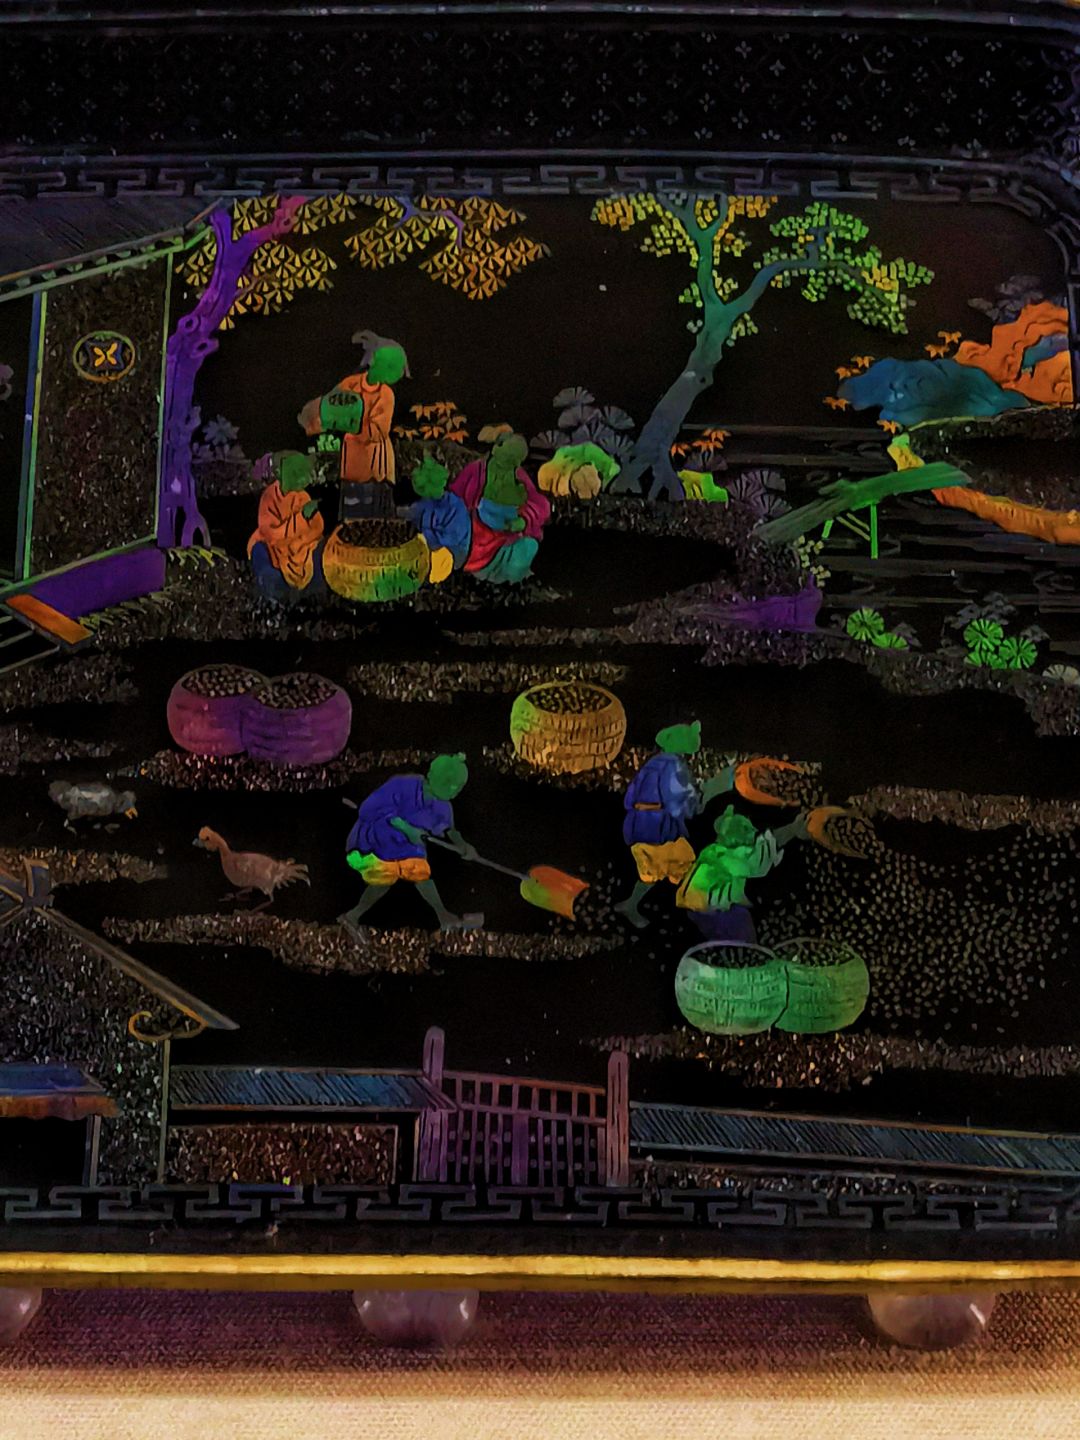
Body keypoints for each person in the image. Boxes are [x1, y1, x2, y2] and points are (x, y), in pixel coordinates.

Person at [340, 753, 477, 935]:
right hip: (377, 838)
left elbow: (449, 830)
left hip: (407, 846)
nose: (454, 790)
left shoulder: (442, 806)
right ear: (433, 775)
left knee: (420, 872)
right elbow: (368, 809)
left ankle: (443, 915)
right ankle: (352, 915)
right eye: (449, 783)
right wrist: (406, 828)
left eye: (458, 787)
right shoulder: (403, 785)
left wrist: (463, 846)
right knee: (384, 878)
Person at [614, 721, 734, 929]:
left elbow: (632, 796)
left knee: (672, 866)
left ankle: (690, 906)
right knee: (665, 868)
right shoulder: (673, 765)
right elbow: (680, 801)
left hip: (645, 825)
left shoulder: (655, 763)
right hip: (655, 829)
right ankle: (696, 909)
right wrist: (711, 791)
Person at [298, 344, 407, 518]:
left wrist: (352, 421)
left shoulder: (385, 394)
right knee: (352, 513)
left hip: (375, 465)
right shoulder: (351, 384)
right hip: (352, 463)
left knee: (375, 516)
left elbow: (378, 431)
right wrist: (316, 420)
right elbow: (329, 406)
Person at [676, 805, 810, 945]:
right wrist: (792, 830)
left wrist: (792, 830)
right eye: (746, 829)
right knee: (742, 932)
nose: (754, 831)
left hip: (704, 908)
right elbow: (757, 859)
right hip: (710, 911)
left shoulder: (720, 851)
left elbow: (761, 848)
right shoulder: (725, 856)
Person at [450, 430, 550, 584]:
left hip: (507, 538)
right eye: (507, 459)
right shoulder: (475, 471)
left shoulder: (518, 476)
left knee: (528, 547)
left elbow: (541, 505)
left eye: (514, 462)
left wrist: (524, 520)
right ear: (495, 449)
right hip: (475, 538)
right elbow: (453, 498)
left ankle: (509, 582)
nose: (510, 465)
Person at [246, 450, 325, 601]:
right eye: (295, 472)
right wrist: (301, 518)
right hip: (276, 550)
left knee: (320, 552)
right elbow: (270, 534)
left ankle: (312, 594)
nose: (301, 478)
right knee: (259, 552)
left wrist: (300, 542)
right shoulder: (269, 497)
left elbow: (317, 525)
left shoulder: (302, 496)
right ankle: (275, 596)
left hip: (302, 550)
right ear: (279, 473)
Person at [406, 455, 472, 584]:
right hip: (427, 545)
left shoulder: (456, 508)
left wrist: (424, 538)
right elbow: (415, 512)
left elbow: (448, 539)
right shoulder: (427, 501)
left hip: (451, 551)